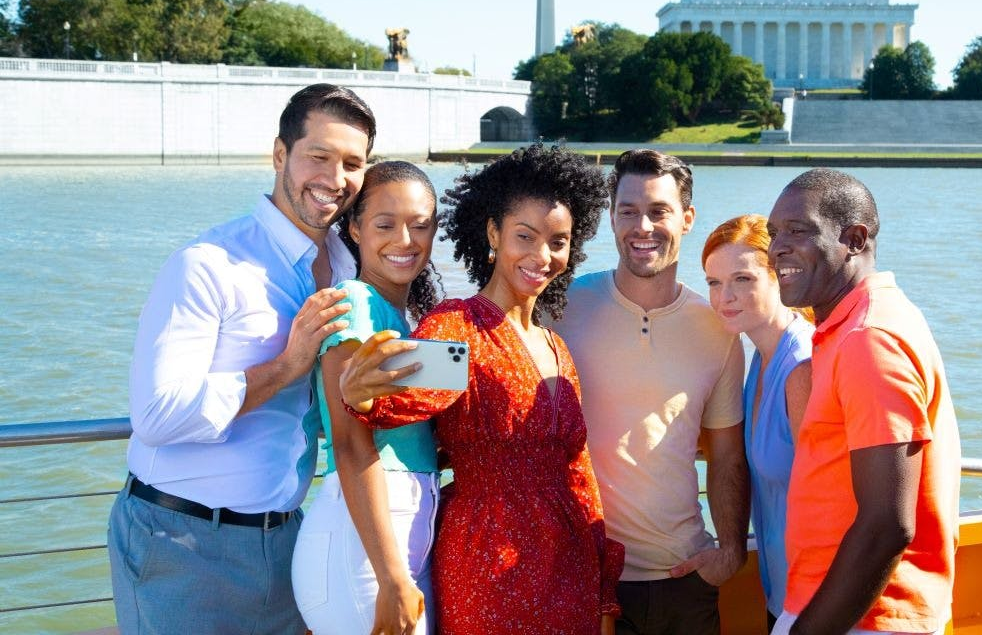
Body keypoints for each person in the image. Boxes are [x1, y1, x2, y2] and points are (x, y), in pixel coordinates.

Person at [107, 83, 376, 633]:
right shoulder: (208, 265)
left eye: (353, 162)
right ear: (280, 155)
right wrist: (286, 365)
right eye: (318, 156)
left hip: (289, 542)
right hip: (181, 543)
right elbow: (156, 416)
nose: (336, 177)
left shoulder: (353, 268)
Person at [338, 143, 624, 635]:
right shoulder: (457, 327)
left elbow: (580, 475)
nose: (542, 255)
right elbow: (401, 400)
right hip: (488, 560)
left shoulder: (557, 348)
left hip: (571, 566)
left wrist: (602, 597)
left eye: (558, 241)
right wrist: (361, 394)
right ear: (494, 233)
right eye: (525, 236)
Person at [555, 149, 749, 635]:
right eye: (628, 211)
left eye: (659, 211)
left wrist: (728, 551)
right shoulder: (562, 307)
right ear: (612, 218)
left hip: (684, 577)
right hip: (585, 572)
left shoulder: (718, 326)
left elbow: (726, 454)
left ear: (686, 219)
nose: (643, 226)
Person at [766, 168, 960, 635]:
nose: (776, 249)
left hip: (865, 618)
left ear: (854, 239)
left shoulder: (868, 339)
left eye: (798, 231)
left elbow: (886, 525)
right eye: (774, 233)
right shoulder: (852, 324)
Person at [291, 161, 444, 635]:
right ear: (354, 228)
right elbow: (352, 443)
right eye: (385, 224)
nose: (405, 239)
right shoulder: (354, 301)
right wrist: (392, 576)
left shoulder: (408, 322)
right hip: (369, 554)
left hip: (393, 545)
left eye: (420, 225)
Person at [701, 214, 815, 631]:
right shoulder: (757, 360)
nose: (724, 297)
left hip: (817, 606)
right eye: (714, 282)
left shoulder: (801, 366)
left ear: (779, 277)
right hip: (781, 595)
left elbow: (833, 504)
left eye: (743, 279)